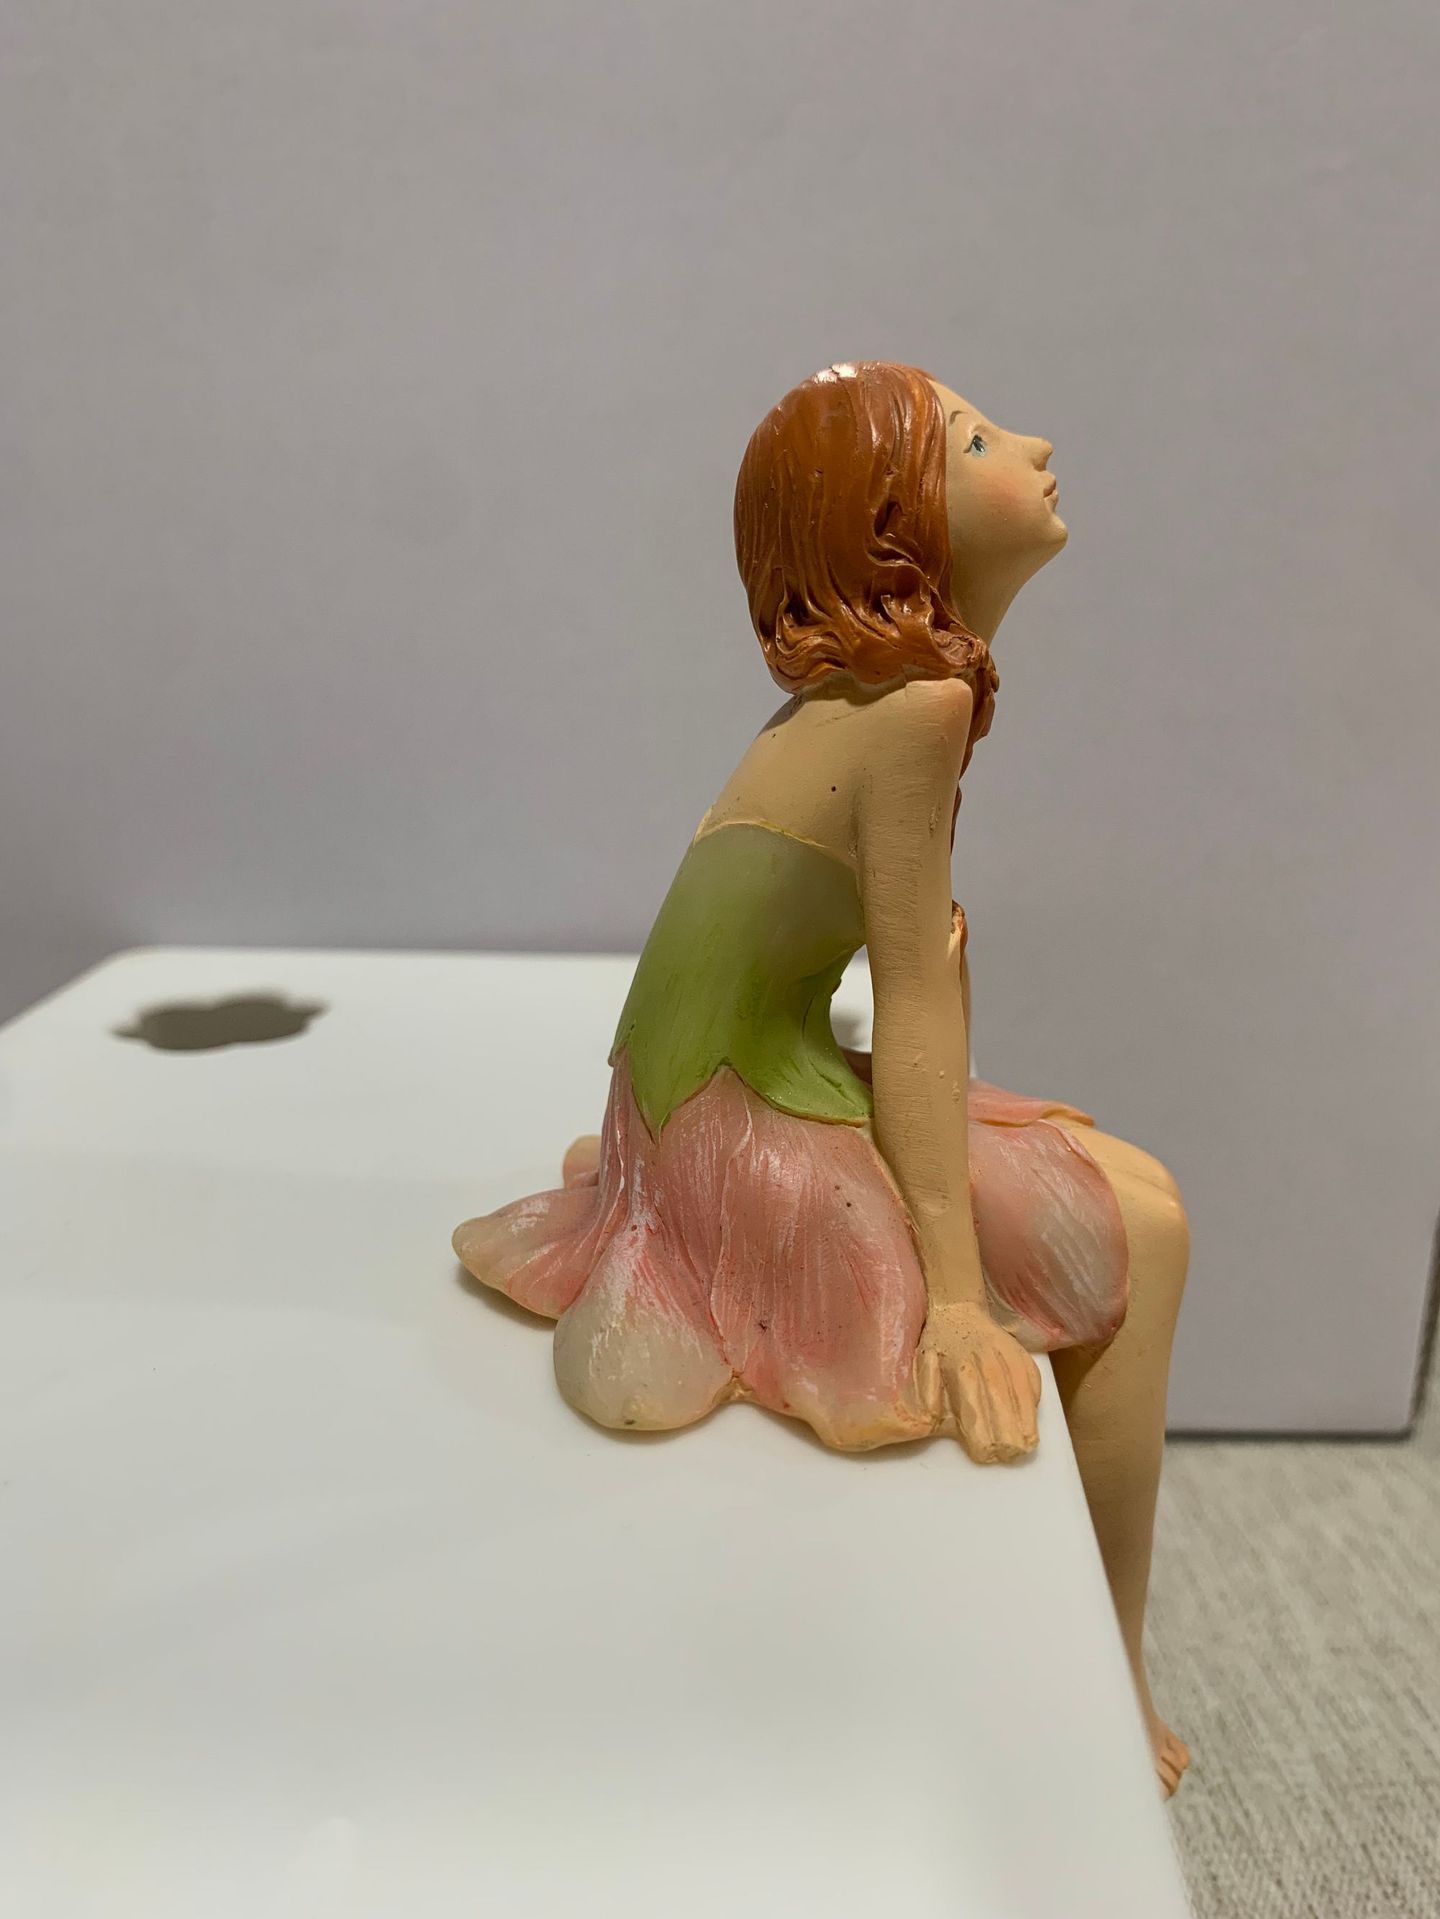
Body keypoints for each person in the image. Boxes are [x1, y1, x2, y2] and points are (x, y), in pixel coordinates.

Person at [453, 360, 1191, 1795]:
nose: (1035, 443)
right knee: (1146, 1230)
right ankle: (1111, 1678)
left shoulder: (875, 701)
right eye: (977, 439)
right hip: (733, 1118)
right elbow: (911, 999)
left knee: (1126, 1192)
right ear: (897, 526)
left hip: (706, 1087)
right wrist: (956, 1304)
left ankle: (1101, 1661)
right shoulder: (910, 711)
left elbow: (897, 982)